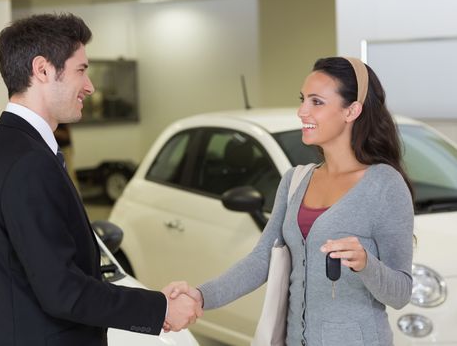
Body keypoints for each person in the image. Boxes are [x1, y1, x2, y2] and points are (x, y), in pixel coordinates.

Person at [0, 13, 200, 346]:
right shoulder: (29, 162)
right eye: (81, 70)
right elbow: (63, 291)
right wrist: (159, 309)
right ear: (42, 69)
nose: (90, 87)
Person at [167, 56, 414, 345]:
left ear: (352, 111)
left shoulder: (385, 185)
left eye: (316, 102)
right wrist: (200, 295)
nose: (302, 111)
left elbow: (400, 293)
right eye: (303, 100)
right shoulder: (295, 180)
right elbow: (261, 261)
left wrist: (365, 263)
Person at [54, 123, 79, 189]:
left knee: (69, 176)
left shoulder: (60, 119)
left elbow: (65, 135)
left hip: (64, 148)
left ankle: (75, 197)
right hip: (57, 148)